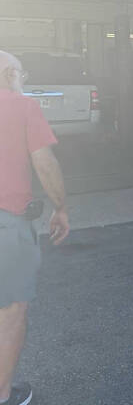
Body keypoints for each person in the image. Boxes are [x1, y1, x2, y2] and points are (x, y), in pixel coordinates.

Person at [0, 51, 68, 405]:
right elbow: (44, 162)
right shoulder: (22, 106)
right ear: (12, 73)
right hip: (6, 225)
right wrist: (60, 208)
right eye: (20, 73)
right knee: (10, 312)